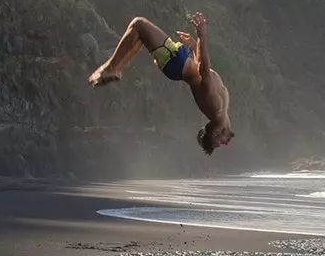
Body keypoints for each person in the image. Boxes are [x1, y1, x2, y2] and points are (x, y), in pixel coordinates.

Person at [89, 11, 235, 154]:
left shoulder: (216, 107)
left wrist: (202, 36)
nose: (226, 143)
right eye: (220, 143)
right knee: (139, 35)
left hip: (175, 61)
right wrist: (195, 45)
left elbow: (204, 71)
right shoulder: (221, 109)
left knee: (138, 24)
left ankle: (110, 68)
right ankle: (116, 68)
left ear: (215, 133)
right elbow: (201, 72)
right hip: (178, 61)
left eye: (219, 142)